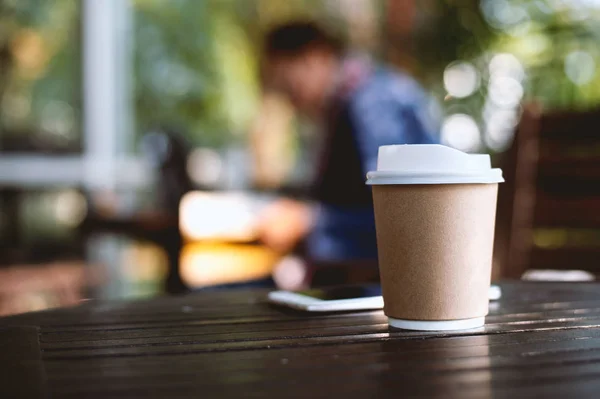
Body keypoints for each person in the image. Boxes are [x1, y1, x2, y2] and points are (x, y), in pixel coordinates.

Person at [259, 21, 439, 263]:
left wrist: (309, 222)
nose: (288, 99)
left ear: (315, 57)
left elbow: (401, 217)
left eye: (288, 84)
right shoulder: (348, 103)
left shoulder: (370, 104)